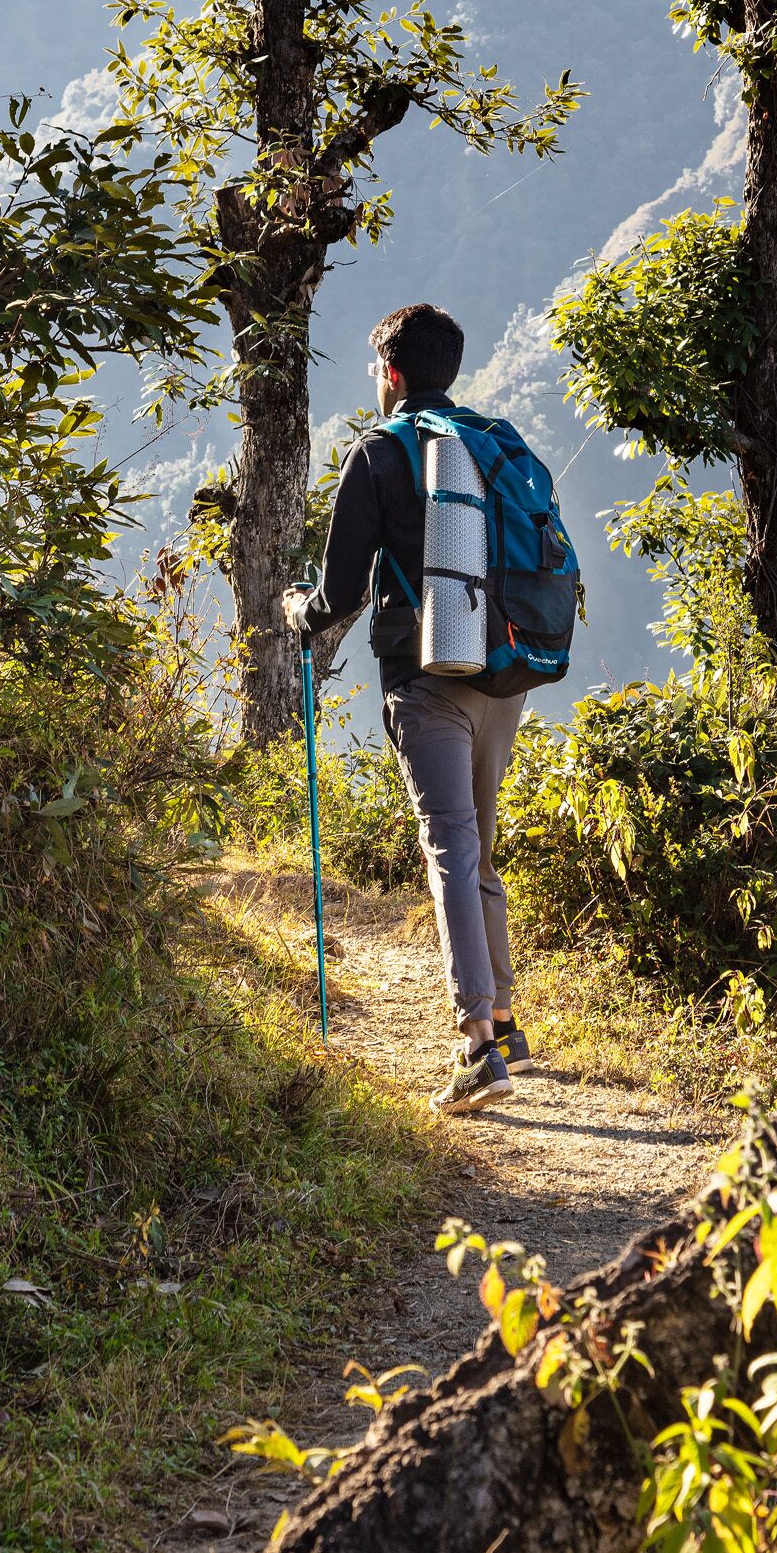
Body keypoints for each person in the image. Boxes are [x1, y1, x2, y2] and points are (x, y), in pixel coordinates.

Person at [283, 301, 535, 1114]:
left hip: (426, 683)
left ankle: (476, 1050)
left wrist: (299, 614)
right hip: (504, 675)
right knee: (480, 846)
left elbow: (343, 588)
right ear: (447, 369)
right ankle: (504, 1018)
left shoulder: (380, 453)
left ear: (391, 374)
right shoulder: (492, 442)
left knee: (452, 849)